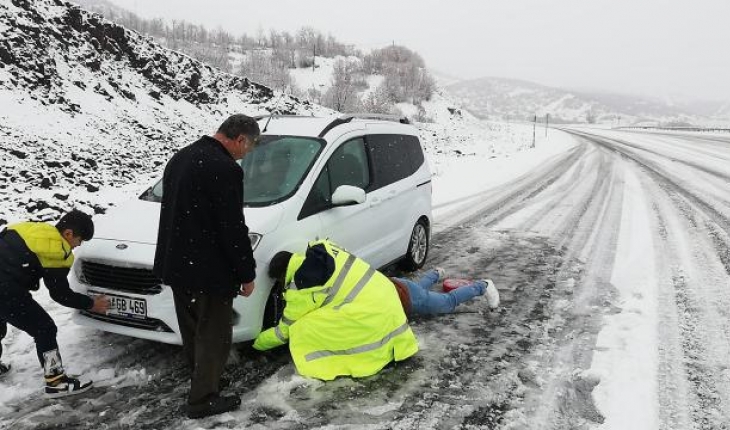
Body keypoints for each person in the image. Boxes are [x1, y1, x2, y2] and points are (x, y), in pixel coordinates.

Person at [153, 114, 260, 419]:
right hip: (209, 270)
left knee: (193, 331)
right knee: (214, 334)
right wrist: (246, 272)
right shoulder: (224, 168)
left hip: (177, 263)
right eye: (248, 148)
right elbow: (231, 227)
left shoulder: (182, 156)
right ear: (240, 139)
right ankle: (202, 400)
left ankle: (203, 379)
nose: (245, 155)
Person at [253, 239, 419, 381]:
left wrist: (255, 343)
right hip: (387, 297)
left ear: (282, 275)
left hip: (371, 314)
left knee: (302, 326)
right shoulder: (322, 252)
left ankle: (346, 359)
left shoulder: (302, 284)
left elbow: (283, 332)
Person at [0, 210, 110, 397]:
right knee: (44, 328)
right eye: (79, 240)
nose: (78, 245)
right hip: (5, 289)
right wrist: (91, 304)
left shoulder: (35, 229)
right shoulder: (56, 250)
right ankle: (56, 382)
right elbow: (61, 295)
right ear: (68, 234)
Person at [390, 268, 500, 317]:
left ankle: (483, 285)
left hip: (405, 297)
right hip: (394, 285)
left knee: (448, 302)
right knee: (417, 289)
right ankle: (436, 273)